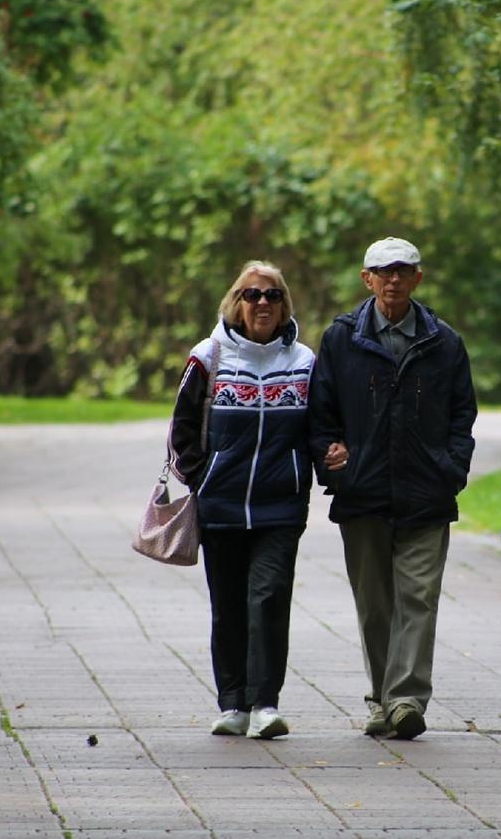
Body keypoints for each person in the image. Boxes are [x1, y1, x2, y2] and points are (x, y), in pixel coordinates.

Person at [309, 236, 477, 740]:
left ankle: (405, 699)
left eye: (403, 270)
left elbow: (462, 415)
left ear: (418, 277)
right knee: (376, 603)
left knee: (419, 598)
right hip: (362, 494)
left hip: (427, 495)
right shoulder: (340, 338)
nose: (393, 279)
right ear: (367, 279)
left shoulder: (444, 342)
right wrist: (333, 462)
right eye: (383, 271)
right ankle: (381, 698)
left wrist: (451, 468)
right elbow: (321, 415)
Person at [169, 261, 314, 739]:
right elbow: (182, 429)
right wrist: (200, 477)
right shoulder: (207, 357)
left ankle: (265, 705)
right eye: (252, 295)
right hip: (222, 505)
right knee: (228, 604)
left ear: (284, 303)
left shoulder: (305, 362)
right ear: (236, 301)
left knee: (269, 598)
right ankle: (233, 703)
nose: (262, 304)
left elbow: (322, 425)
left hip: (281, 506)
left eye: (272, 295)